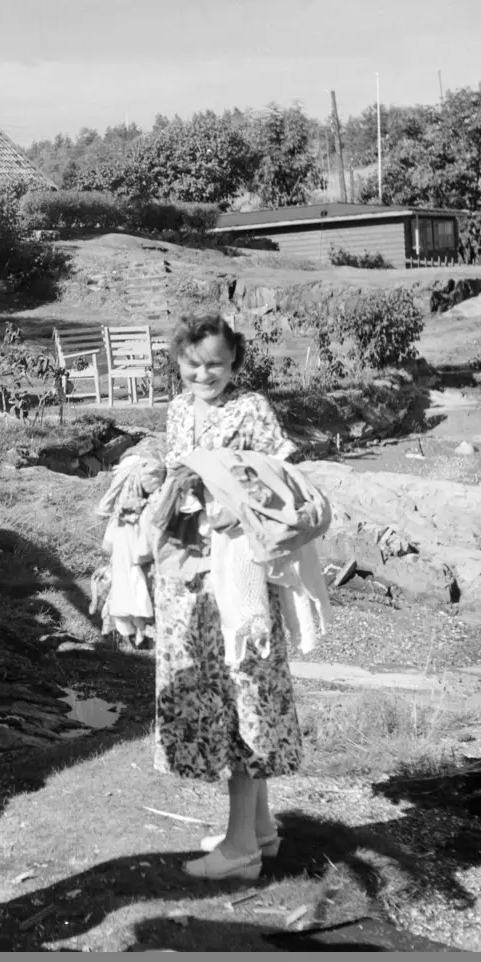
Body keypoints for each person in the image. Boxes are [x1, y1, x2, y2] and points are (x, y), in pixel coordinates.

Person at [154, 313, 302, 882]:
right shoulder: (176, 410)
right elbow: (176, 475)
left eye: (215, 363)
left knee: (243, 688)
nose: (204, 373)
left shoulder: (252, 409)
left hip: (235, 571)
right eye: (193, 364)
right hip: (188, 575)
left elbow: (282, 480)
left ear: (234, 361)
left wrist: (227, 496)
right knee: (215, 688)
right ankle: (258, 831)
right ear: (180, 364)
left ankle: (239, 850)